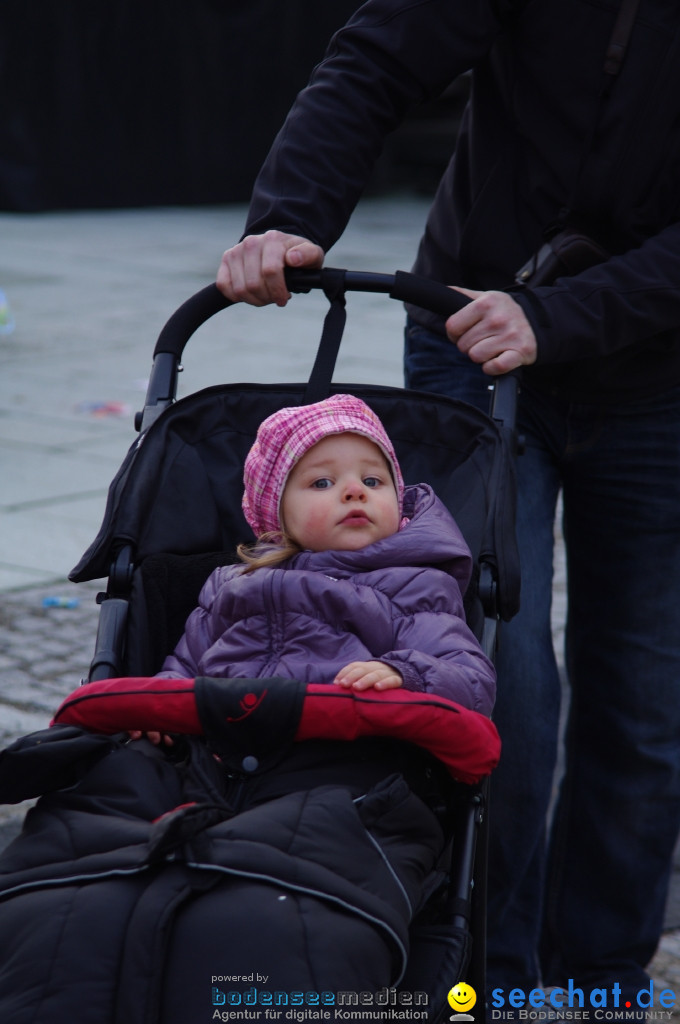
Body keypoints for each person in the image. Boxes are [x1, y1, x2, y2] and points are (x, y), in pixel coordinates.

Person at [214, 1, 680, 1014]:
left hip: (654, 375)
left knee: (641, 701)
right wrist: (287, 213)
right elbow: (374, 62)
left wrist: (557, 317)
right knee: (494, 673)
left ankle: (597, 980)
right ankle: (484, 974)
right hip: (467, 332)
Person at [155, 393, 495, 716]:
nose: (355, 491)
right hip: (225, 745)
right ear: (277, 512)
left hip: (345, 751)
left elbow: (472, 681)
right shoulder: (233, 583)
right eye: (322, 483)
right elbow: (185, 668)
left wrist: (406, 674)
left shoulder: (415, 585)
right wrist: (160, 711)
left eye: (373, 480)